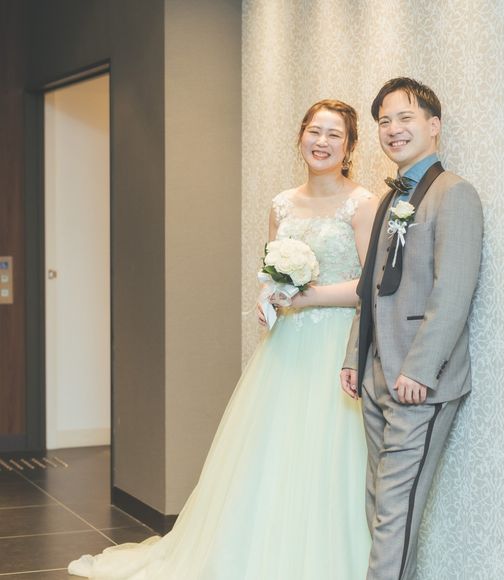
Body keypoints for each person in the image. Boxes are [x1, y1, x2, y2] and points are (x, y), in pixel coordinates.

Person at [68, 99, 378, 579]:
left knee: (326, 455)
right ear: (300, 136)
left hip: (336, 346)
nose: (322, 142)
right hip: (285, 348)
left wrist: (308, 297)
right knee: (271, 453)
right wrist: (267, 297)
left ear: (350, 146)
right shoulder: (282, 203)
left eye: (334, 134)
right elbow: (273, 269)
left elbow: (369, 285)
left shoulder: (362, 203)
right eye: (314, 131)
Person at [340, 77, 483, 580]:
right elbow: (371, 286)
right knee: (380, 503)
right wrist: (354, 357)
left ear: (433, 125)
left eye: (405, 118)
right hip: (377, 374)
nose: (393, 129)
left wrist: (420, 369)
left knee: (395, 510)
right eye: (385, 121)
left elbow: (453, 292)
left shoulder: (454, 193)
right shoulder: (391, 197)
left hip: (419, 380)